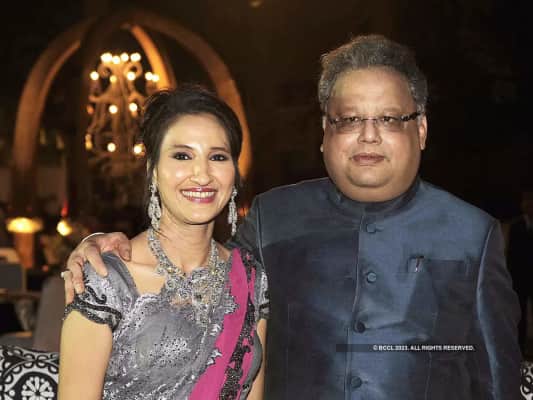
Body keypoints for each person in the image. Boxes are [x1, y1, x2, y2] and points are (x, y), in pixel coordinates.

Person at [62, 34, 520, 399]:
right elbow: (197, 270)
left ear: (419, 129)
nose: (368, 136)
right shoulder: (275, 218)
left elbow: (497, 381)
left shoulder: (471, 234)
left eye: (388, 119)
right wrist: (98, 243)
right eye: (349, 119)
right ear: (324, 132)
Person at [58, 85, 269, 400]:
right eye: (182, 155)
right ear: (153, 170)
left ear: (234, 173)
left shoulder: (251, 279)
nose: (202, 174)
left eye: (218, 157)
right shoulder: (105, 281)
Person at [507, 188, 533, 356]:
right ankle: (520, 349)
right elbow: (511, 255)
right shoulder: (516, 226)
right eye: (526, 201)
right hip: (520, 278)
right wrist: (510, 279)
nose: (529, 205)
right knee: (520, 316)